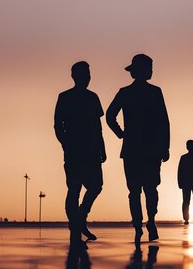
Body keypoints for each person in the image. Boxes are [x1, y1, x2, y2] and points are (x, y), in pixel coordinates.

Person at [106, 54, 170, 243]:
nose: (151, 71)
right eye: (149, 68)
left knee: (135, 191)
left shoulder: (125, 93)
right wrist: (164, 147)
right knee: (150, 189)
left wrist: (121, 133)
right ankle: (149, 221)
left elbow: (110, 116)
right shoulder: (154, 92)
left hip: (133, 150)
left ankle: (139, 225)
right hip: (150, 150)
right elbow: (164, 122)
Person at [54, 61, 106, 248]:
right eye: (85, 74)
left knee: (96, 186)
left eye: (89, 74)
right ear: (76, 76)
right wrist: (66, 144)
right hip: (74, 152)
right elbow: (57, 126)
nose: (88, 78)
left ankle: (80, 217)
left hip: (91, 151)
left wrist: (102, 148)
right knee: (74, 189)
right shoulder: (64, 97)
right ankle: (76, 227)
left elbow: (98, 126)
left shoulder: (93, 98)